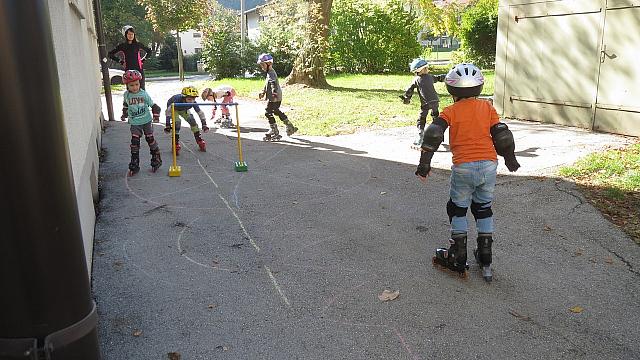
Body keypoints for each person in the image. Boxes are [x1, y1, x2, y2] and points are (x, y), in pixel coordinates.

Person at [415, 63, 521, 282]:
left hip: (464, 167)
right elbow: (502, 135)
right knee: (483, 207)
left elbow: (434, 133)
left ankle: (457, 254)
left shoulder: (451, 111)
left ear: (452, 90)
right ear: (479, 88)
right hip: (489, 166)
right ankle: (485, 256)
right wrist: (510, 159)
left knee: (457, 208)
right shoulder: (487, 108)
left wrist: (424, 165)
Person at [120, 70, 162, 176]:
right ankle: (135, 162)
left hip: (146, 121)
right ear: (127, 86)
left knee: (150, 139)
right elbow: (125, 105)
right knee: (134, 142)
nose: (135, 87)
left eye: (136, 84)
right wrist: (124, 114)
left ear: (140, 83)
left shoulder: (143, 94)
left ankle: (156, 157)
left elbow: (154, 106)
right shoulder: (126, 95)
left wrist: (156, 116)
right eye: (132, 85)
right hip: (135, 122)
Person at [399, 58, 445, 149]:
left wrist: (406, 99)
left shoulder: (416, 80)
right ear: (422, 69)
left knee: (422, 118)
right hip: (435, 101)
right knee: (435, 117)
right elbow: (439, 78)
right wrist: (447, 76)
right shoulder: (430, 77)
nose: (428, 70)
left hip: (425, 103)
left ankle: (420, 136)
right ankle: (439, 135)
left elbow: (409, 91)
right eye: (427, 68)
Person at [256, 53, 298, 141]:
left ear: (269, 64)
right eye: (261, 65)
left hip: (274, 97)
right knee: (276, 111)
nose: (262, 67)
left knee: (268, 112)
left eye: (263, 65)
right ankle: (289, 126)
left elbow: (273, 84)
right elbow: (267, 84)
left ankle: (274, 130)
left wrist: (274, 93)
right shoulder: (269, 73)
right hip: (276, 97)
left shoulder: (271, 73)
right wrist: (263, 92)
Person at [164, 86, 209, 153]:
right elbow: (168, 111)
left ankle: (199, 139)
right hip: (174, 109)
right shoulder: (177, 100)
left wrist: (204, 124)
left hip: (184, 109)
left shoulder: (193, 102)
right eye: (189, 99)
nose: (191, 101)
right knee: (177, 123)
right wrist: (168, 124)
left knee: (192, 122)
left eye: (193, 99)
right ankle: (175, 143)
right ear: (183, 97)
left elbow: (200, 113)